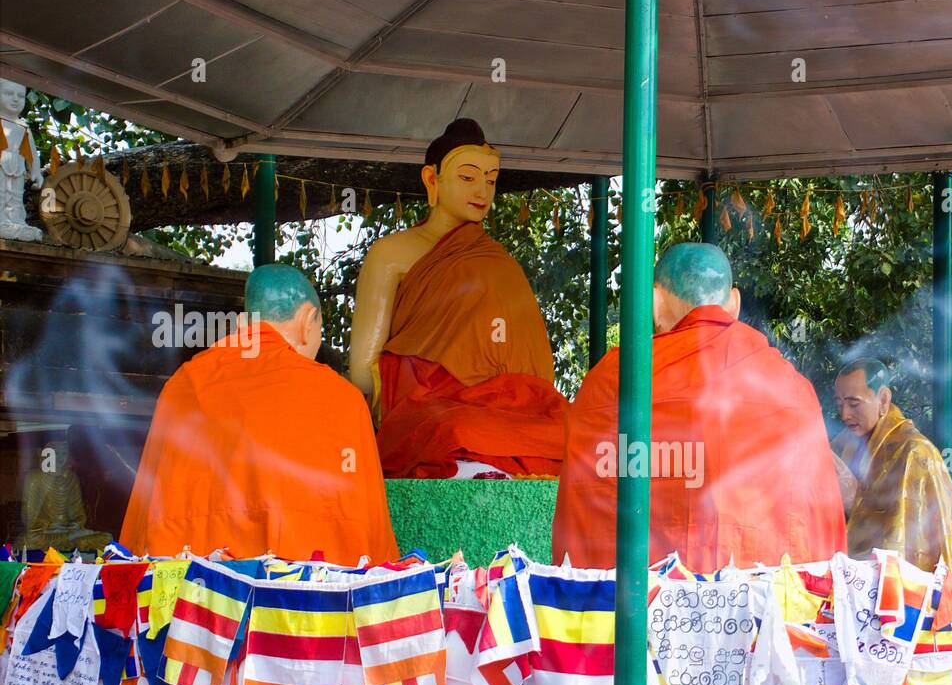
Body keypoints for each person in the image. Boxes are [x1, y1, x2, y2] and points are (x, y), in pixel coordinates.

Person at [552, 243, 846, 571]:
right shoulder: (792, 389)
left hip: (643, 607)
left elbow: (584, 516)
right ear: (733, 303)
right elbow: (820, 523)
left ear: (655, 302)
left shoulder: (614, 381)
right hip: (760, 608)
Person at [121, 264, 398, 564]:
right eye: (320, 329)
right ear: (308, 321)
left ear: (244, 323)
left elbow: (144, 519)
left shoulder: (183, 385)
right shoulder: (342, 399)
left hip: (192, 595)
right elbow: (371, 534)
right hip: (303, 600)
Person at [349, 118, 565, 478]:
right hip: (431, 405)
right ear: (432, 180)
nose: (482, 190)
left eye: (490, 180)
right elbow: (363, 370)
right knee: (452, 429)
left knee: (567, 432)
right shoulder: (392, 254)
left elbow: (532, 365)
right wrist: (412, 393)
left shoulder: (497, 261)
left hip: (506, 407)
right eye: (467, 177)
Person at [831, 359, 952, 571]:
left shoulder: (914, 451)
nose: (845, 414)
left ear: (883, 399)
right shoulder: (842, 445)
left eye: (854, 404)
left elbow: (917, 544)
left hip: (899, 583)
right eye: (839, 405)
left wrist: (856, 500)